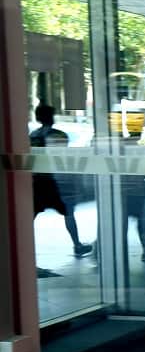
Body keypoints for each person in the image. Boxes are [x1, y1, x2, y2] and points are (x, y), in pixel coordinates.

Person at [30, 103, 93, 258]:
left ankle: (25, 247)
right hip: (54, 180)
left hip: (38, 181)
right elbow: (62, 159)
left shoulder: (32, 137)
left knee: (31, 215)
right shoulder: (59, 135)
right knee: (68, 212)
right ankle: (77, 244)